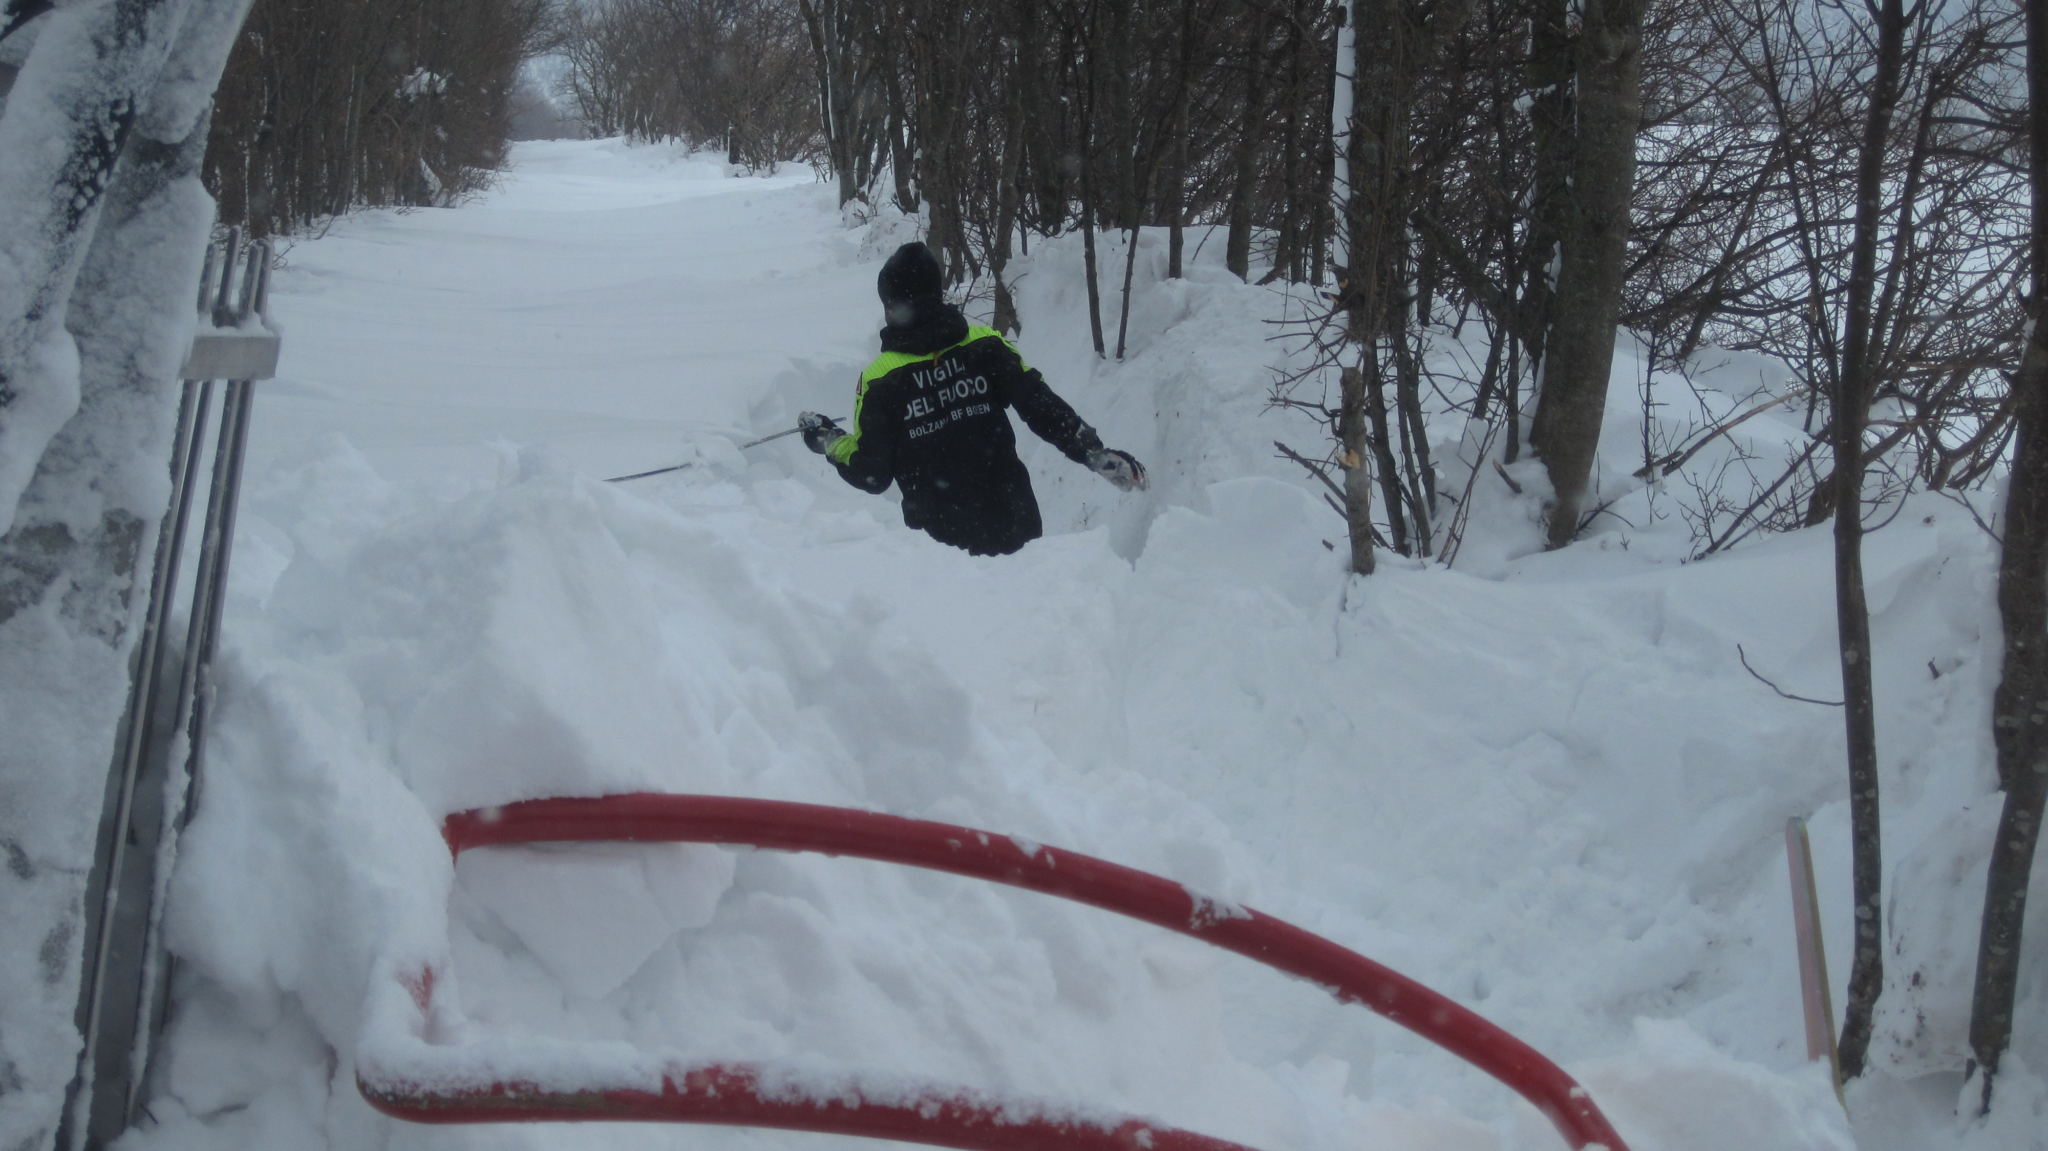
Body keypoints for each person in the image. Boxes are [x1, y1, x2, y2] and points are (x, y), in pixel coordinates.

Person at [799, 241, 1147, 556]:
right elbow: (1038, 404)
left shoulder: (881, 379)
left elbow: (872, 474)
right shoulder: (984, 345)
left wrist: (828, 439)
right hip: (1016, 527)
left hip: (944, 556)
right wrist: (1090, 450)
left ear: (895, 305)